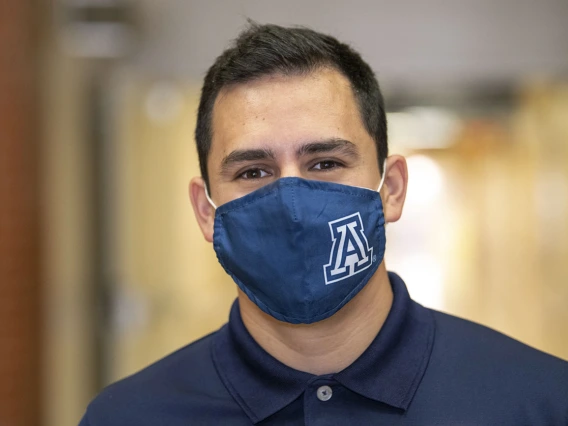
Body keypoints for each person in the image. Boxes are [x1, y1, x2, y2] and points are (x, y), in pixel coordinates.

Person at [79, 23, 568, 426]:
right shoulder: (128, 417)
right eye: (253, 172)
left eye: (325, 163)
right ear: (206, 211)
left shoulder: (540, 402)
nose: (292, 204)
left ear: (392, 188)